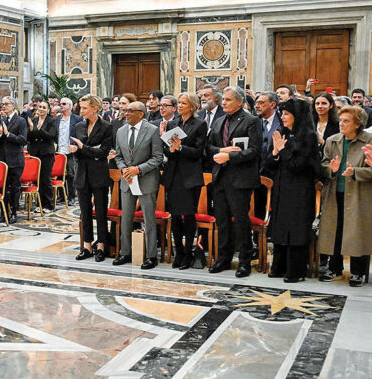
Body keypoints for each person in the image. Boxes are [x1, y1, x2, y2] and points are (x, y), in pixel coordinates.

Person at [206, 86, 263, 277]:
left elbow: (254, 150)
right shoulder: (219, 121)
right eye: (223, 99)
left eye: (228, 100)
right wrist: (221, 152)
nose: (223, 102)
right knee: (222, 220)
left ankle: (245, 261)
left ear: (239, 102)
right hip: (220, 177)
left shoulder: (251, 120)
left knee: (240, 221)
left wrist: (230, 157)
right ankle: (224, 258)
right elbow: (209, 146)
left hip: (240, 178)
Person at [264, 99, 320, 283]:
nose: (283, 117)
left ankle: (296, 271)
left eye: (287, 114)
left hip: (299, 190)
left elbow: (298, 165)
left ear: (298, 116)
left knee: (296, 229)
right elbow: (269, 165)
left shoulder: (309, 136)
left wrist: (282, 151)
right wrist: (275, 153)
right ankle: (279, 267)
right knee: (281, 227)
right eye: (282, 113)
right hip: (282, 188)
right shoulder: (283, 133)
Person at [318, 106, 372, 287]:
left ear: (358, 124)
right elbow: (323, 165)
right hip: (335, 192)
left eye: (346, 121)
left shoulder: (369, 140)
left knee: (358, 232)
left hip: (359, 194)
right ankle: (334, 268)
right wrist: (331, 170)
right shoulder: (332, 140)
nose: (341, 124)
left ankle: (357, 272)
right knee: (335, 229)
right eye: (341, 120)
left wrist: (355, 171)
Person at [112, 102, 164, 269]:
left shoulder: (152, 130)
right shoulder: (121, 131)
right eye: (125, 110)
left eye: (130, 111)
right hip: (127, 180)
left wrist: (138, 169)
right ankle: (125, 252)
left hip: (146, 179)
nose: (126, 113)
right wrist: (124, 169)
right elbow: (118, 156)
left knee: (148, 219)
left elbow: (157, 157)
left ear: (140, 113)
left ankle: (151, 256)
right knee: (126, 218)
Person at [161, 93, 207, 270]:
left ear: (192, 106)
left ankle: (188, 253)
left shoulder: (200, 124)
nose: (179, 105)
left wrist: (180, 147)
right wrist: (172, 149)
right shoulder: (173, 124)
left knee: (188, 216)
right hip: (173, 175)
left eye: (183, 103)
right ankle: (178, 252)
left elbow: (198, 152)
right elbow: (167, 150)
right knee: (174, 216)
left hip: (189, 176)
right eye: (179, 103)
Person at [72, 95, 113, 261]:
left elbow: (103, 152)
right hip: (82, 172)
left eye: (84, 108)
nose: (81, 111)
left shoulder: (106, 127)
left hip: (99, 173)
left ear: (95, 108)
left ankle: (101, 245)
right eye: (80, 107)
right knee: (85, 211)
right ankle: (87, 245)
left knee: (101, 211)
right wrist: (80, 150)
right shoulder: (79, 126)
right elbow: (79, 151)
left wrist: (84, 148)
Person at [0, 96, 27, 223]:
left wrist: (8, 134)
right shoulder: (2, 120)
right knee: (2, 188)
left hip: (15, 160)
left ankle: (14, 212)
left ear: (13, 106)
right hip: (3, 160)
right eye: (2, 104)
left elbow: (22, 140)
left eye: (6, 104)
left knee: (14, 188)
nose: (3, 106)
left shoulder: (21, 121)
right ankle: (4, 213)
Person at [26, 101, 57, 212]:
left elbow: (51, 136)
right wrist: (31, 129)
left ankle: (48, 205)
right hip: (35, 153)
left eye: (44, 107)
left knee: (45, 179)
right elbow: (29, 138)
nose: (41, 109)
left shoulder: (51, 121)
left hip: (46, 153)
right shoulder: (33, 120)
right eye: (40, 107)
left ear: (48, 110)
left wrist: (40, 129)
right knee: (37, 180)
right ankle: (40, 204)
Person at [56, 98, 83, 206]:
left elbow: (81, 134)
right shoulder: (57, 119)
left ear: (70, 106)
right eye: (60, 104)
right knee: (59, 174)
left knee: (71, 174)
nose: (61, 105)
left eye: (64, 104)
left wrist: (76, 145)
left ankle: (72, 196)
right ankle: (62, 196)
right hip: (59, 150)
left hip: (70, 151)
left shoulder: (77, 119)